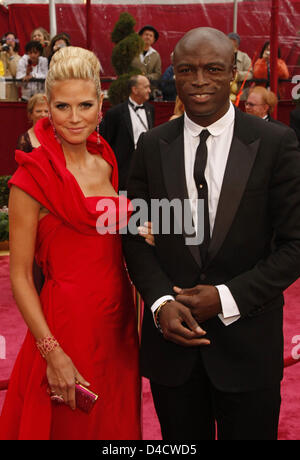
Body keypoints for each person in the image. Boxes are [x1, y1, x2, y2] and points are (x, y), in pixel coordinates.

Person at [122, 27, 300, 440]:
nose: (199, 80)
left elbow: (294, 245)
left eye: (212, 69)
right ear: (174, 75)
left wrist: (224, 297)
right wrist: (161, 300)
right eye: (187, 70)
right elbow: (133, 234)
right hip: (172, 353)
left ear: (233, 75)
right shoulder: (152, 145)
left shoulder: (275, 143)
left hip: (249, 347)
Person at [0, 46, 141, 440]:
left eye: (84, 105)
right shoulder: (30, 179)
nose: (75, 118)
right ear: (47, 106)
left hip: (119, 326)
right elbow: (21, 277)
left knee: (116, 426)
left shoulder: (107, 160)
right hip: (65, 328)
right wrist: (52, 351)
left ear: (101, 105)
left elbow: (111, 239)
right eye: (62, 107)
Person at [100, 74, 154, 191]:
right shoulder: (115, 113)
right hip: (124, 173)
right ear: (134, 90)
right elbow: (106, 144)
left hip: (146, 168)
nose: (149, 90)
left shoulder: (150, 110)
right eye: (146, 87)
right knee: (124, 205)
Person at [228, 32, 253, 100]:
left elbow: (250, 74)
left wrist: (238, 75)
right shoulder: (222, 56)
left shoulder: (244, 57)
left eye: (233, 41)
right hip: (226, 94)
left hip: (241, 93)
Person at [0, 32, 21, 100]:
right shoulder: (1, 55)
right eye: (8, 39)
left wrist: (11, 55)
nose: (10, 41)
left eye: (13, 39)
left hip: (12, 91)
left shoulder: (18, 58)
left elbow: (16, 72)